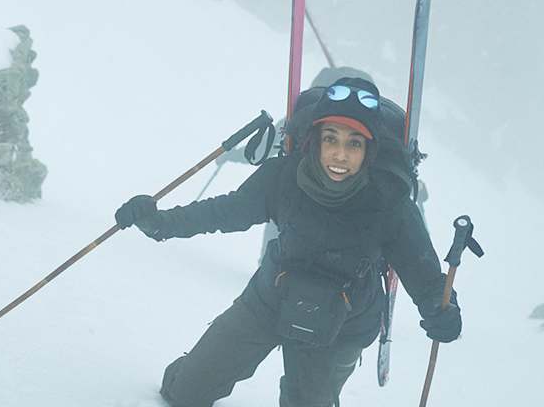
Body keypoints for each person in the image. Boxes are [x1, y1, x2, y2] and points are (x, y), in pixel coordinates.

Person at [114, 76, 461, 407]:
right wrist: (159, 222)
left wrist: (442, 310)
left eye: (354, 143)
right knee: (185, 392)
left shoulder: (390, 203)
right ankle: (196, 373)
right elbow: (223, 212)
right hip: (270, 300)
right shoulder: (284, 176)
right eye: (331, 139)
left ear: (369, 150)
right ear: (315, 139)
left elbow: (427, 280)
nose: (340, 155)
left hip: (342, 325)